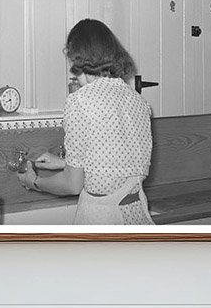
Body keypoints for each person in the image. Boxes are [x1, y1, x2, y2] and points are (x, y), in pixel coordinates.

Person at [17, 18, 154, 225]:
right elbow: (118, 165)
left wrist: (34, 181)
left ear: (76, 56)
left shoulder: (80, 101)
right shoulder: (138, 102)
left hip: (102, 217)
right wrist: (65, 163)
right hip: (135, 213)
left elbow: (72, 185)